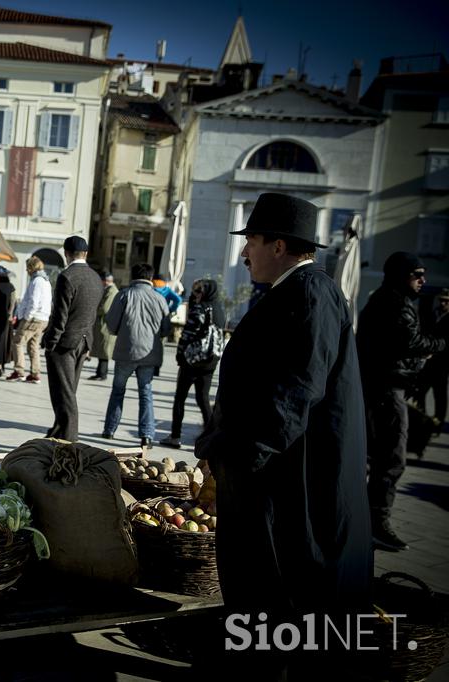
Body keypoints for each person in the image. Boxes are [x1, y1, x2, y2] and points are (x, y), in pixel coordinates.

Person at [194, 192, 371, 622]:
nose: (243, 251)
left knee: (283, 599)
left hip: (292, 484)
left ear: (278, 245)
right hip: (272, 477)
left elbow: (295, 393)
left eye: (251, 241)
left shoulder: (311, 293)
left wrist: (238, 454)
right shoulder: (290, 290)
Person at [357, 252, 447, 551]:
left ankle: (365, 520)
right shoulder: (394, 303)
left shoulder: (391, 300)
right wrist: (438, 343)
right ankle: (375, 523)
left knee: (379, 457)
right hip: (385, 390)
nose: (423, 280)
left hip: (382, 388)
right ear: (401, 275)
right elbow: (410, 341)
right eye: (416, 274)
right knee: (392, 458)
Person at [41, 236, 103, 441]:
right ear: (85, 253)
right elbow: (93, 314)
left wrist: (51, 343)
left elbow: (61, 315)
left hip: (64, 343)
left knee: (64, 396)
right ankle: (57, 432)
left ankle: (69, 442)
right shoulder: (96, 277)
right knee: (69, 391)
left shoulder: (67, 276)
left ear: (67, 253)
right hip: (84, 341)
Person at [101, 263, 169, 447]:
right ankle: (146, 435)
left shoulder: (124, 295)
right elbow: (166, 329)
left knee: (118, 391)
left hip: (126, 352)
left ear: (133, 276)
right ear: (150, 278)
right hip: (149, 354)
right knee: (145, 393)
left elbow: (112, 325)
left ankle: (109, 430)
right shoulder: (159, 299)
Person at [161, 279, 226, 448]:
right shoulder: (219, 309)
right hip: (210, 361)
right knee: (203, 398)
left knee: (180, 398)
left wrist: (180, 355)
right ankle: (210, 435)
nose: (195, 295)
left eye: (198, 292)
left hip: (192, 361)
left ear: (205, 293)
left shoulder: (200, 308)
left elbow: (188, 334)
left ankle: (175, 436)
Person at [6, 256, 52, 383]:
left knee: (17, 342)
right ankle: (35, 374)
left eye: (28, 267)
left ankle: (19, 371)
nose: (26, 270)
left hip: (33, 317)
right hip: (43, 318)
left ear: (32, 267)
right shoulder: (46, 280)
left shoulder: (37, 281)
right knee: (33, 345)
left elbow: (34, 301)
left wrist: (26, 317)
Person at [409, 289, 449, 428]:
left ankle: (438, 422)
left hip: (443, 363)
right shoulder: (433, 314)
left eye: (446, 301)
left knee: (440, 395)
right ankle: (422, 419)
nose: (443, 303)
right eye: (441, 300)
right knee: (420, 392)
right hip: (428, 361)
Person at [88, 272, 119, 381]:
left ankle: (102, 374)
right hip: (103, 324)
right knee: (102, 350)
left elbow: (105, 308)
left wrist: (94, 310)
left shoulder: (112, 291)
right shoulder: (108, 290)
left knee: (104, 351)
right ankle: (99, 373)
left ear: (105, 281)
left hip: (106, 325)